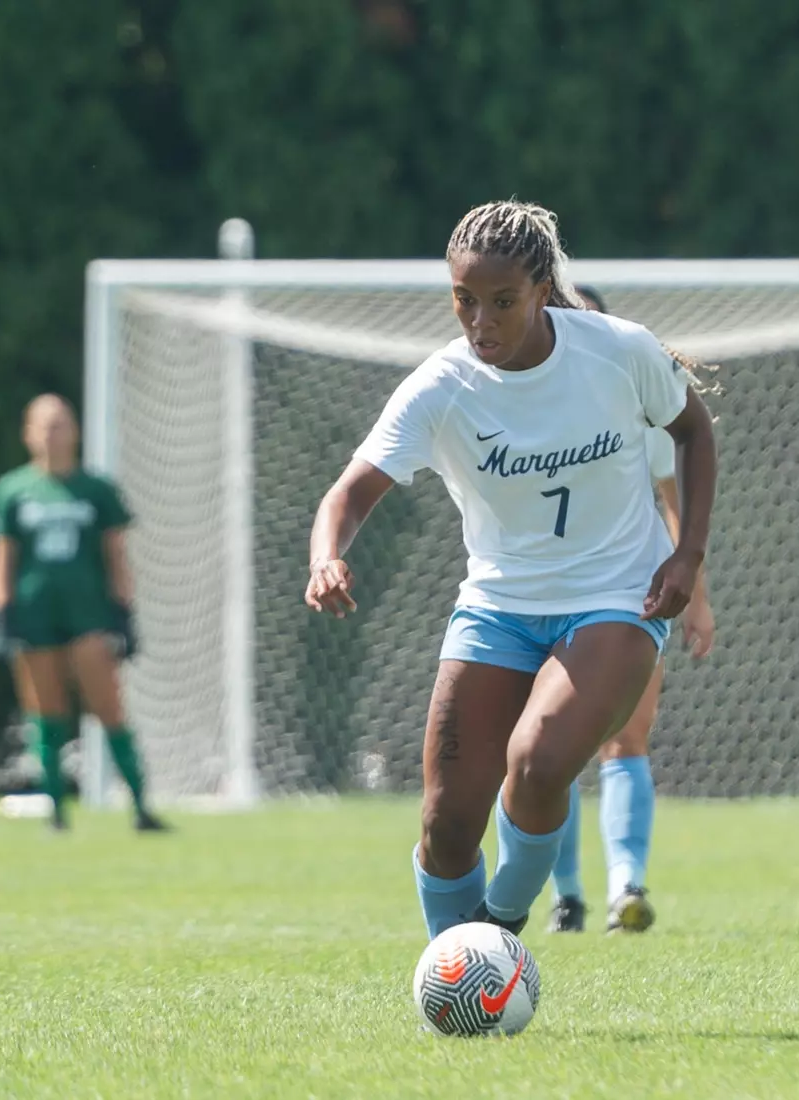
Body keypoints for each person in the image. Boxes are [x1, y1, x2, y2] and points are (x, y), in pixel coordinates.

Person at [305, 200, 717, 938]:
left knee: (534, 764)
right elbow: (348, 492)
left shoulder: (616, 351)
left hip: (618, 599)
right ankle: (459, 978)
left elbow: (693, 431)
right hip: (497, 610)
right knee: (444, 823)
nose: (481, 322)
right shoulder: (441, 386)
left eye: (502, 302)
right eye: (464, 300)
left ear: (541, 290)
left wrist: (687, 556)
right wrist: (325, 557)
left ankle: (494, 937)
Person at [546, 286, 717, 935]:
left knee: (626, 739)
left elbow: (675, 502)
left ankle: (626, 888)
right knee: (548, 750)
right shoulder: (511, 404)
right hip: (542, 599)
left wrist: (695, 597)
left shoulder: (632, 407)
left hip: (627, 594)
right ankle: (566, 896)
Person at [0, 394, 168, 833]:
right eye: (43, 424)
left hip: (88, 615)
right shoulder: (12, 490)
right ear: (27, 433)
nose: (52, 433)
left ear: (75, 430)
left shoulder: (97, 490)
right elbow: (0, 558)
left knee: (108, 707)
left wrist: (124, 615)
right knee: (46, 713)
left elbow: (116, 556)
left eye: (60, 423)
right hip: (34, 615)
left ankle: (141, 806)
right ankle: (56, 812)